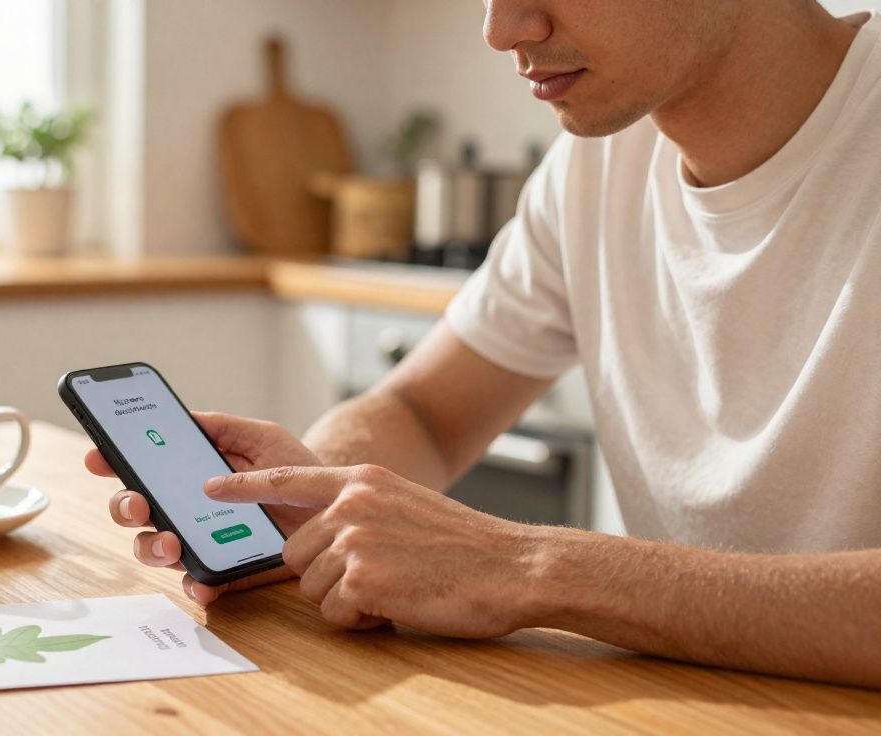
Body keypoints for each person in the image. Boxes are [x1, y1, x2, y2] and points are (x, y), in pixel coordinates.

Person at [87, 0, 881, 688]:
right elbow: (425, 411)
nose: (502, 30)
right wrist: (317, 502)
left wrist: (527, 567)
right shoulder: (595, 165)